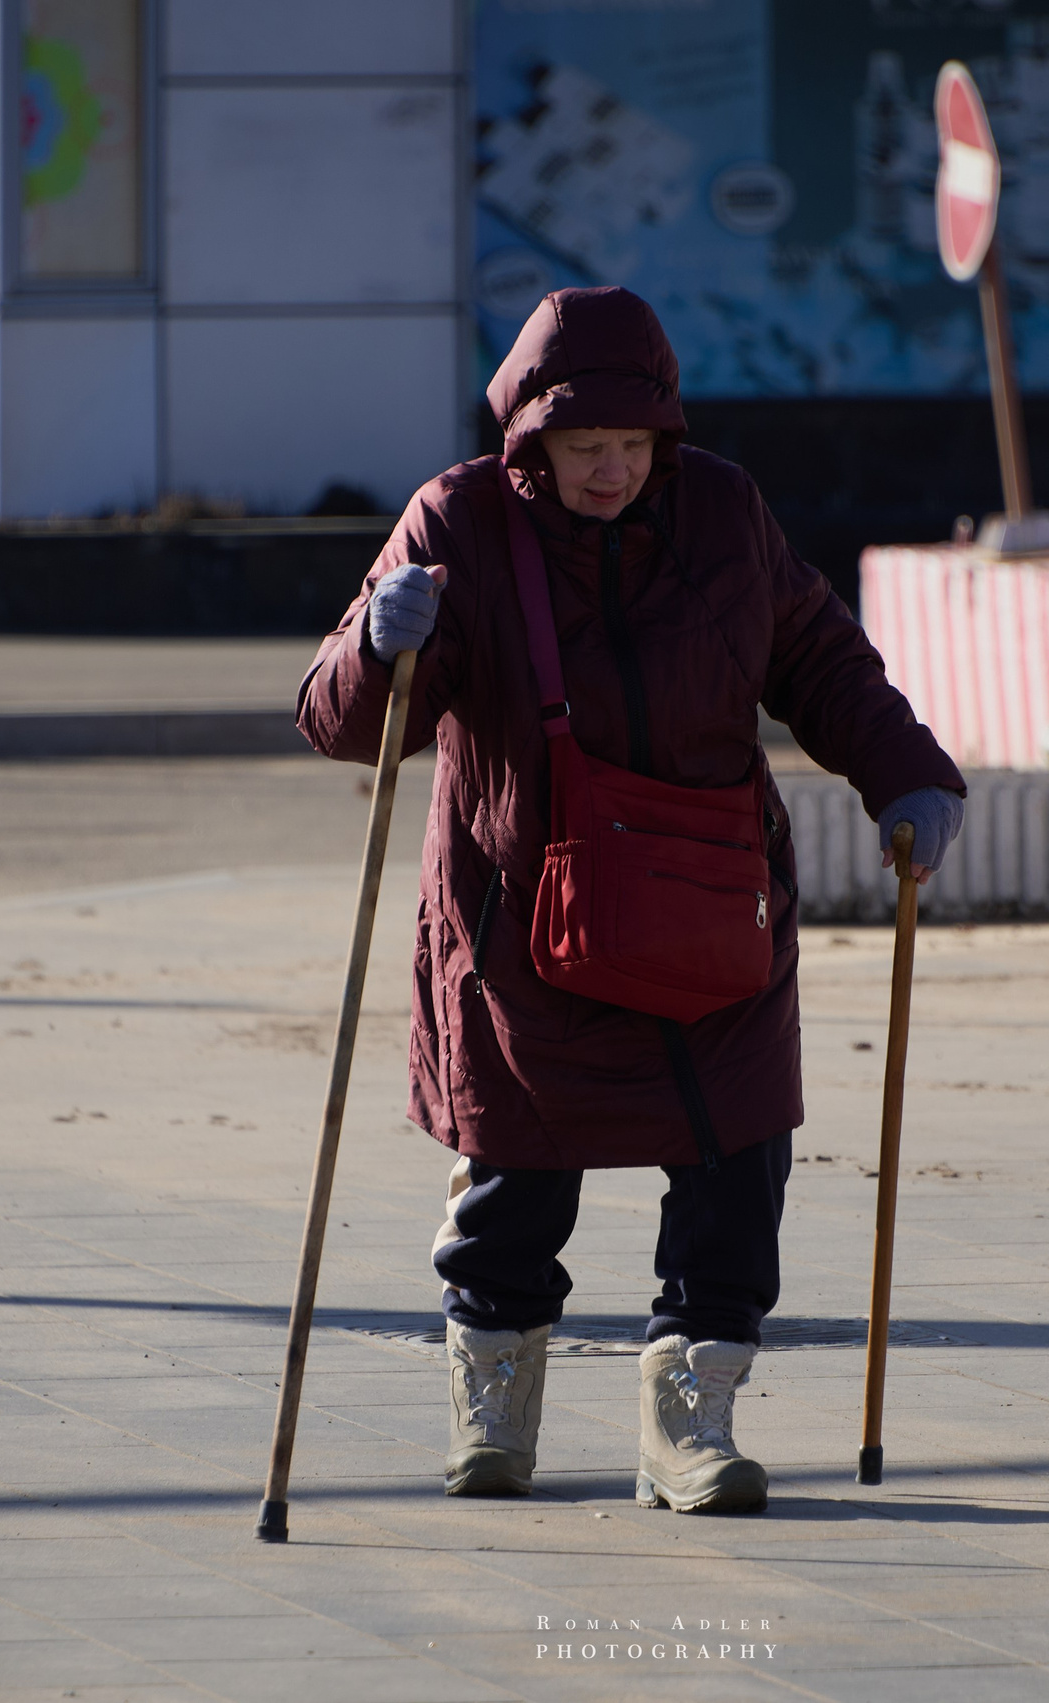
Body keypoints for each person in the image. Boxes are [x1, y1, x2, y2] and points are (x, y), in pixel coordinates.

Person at [297, 286, 964, 1514]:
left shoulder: (721, 511)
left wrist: (908, 775)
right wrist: (376, 647)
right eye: (582, 448)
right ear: (528, 440)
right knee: (515, 1174)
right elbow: (344, 725)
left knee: (736, 1160)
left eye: (632, 446)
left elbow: (816, 657)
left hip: (715, 908)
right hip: (519, 915)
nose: (610, 472)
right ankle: (493, 1398)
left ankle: (689, 1414)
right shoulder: (459, 519)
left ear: (666, 434)